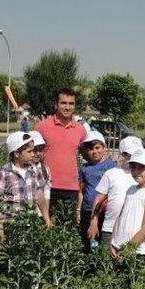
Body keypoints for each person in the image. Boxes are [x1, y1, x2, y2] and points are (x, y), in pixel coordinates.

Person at [34, 88, 87, 226]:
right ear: (56, 104)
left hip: (71, 189)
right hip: (46, 188)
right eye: (63, 103)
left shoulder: (81, 130)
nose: (67, 107)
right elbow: (30, 153)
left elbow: (87, 154)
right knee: (44, 229)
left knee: (67, 231)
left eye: (71, 103)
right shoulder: (41, 127)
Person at [0, 132, 51, 234]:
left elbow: (40, 196)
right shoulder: (3, 173)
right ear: (16, 153)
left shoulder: (35, 170)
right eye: (29, 151)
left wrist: (47, 219)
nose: (33, 154)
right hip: (11, 225)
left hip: (32, 223)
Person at [89, 136, 141, 247]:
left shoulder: (142, 175)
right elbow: (98, 199)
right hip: (109, 228)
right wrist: (93, 222)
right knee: (105, 262)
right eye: (129, 154)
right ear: (122, 154)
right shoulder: (111, 173)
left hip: (133, 230)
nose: (132, 157)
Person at [110, 149, 145, 258]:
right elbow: (119, 218)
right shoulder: (130, 189)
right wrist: (112, 241)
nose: (136, 171)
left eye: (141, 167)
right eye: (133, 167)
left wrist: (127, 251)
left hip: (136, 252)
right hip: (118, 247)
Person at [78, 131, 116, 251]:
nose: (95, 152)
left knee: (103, 239)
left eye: (97, 147)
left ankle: (100, 263)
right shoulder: (84, 168)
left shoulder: (111, 166)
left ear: (104, 148)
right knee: (89, 239)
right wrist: (79, 209)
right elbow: (82, 190)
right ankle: (91, 263)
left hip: (105, 211)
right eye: (91, 149)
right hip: (88, 210)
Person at [28, 130, 51, 208]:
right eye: (34, 150)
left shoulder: (45, 169)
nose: (37, 153)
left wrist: (46, 213)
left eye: (40, 150)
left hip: (40, 213)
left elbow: (46, 193)